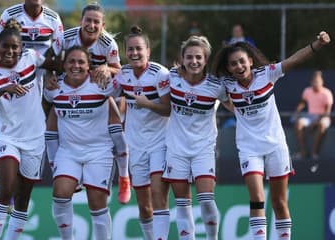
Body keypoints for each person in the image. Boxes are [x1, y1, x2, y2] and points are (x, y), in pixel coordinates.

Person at [212, 31, 330, 240]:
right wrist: (237, 109)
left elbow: (294, 60)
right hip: (249, 149)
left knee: (279, 201)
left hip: (276, 146)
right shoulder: (227, 86)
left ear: (250, 60)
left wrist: (317, 45)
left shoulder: (267, 74)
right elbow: (216, 95)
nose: (238, 67)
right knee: (257, 198)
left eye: (241, 61)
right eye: (233, 64)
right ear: (228, 68)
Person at [0, 19, 60, 239]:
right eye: (5, 46)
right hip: (8, 137)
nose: (10, 51)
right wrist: (5, 87)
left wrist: (60, 74)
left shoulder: (31, 58)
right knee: (6, 189)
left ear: (21, 47)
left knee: (23, 200)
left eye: (15, 47)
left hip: (35, 138)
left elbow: (55, 65)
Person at [45, 2, 131, 204]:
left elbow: (121, 71)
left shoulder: (108, 43)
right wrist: (50, 74)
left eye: (96, 22)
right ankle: (60, 169)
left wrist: (107, 69)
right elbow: (49, 59)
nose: (91, 25)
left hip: (96, 86)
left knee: (114, 115)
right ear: (80, 21)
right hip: (68, 85)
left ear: (102, 25)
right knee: (50, 118)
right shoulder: (65, 37)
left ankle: (124, 175)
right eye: (88, 20)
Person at [162, 35, 233, 240]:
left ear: (206, 59)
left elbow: (235, 107)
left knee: (207, 200)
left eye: (199, 57)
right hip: (176, 150)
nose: (194, 61)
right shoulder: (171, 78)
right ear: (182, 59)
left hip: (203, 149)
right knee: (183, 204)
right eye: (190, 57)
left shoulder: (216, 85)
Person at [46, 46, 120, 240]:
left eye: (81, 62)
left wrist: (108, 70)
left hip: (99, 150)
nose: (75, 66)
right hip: (68, 151)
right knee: (60, 194)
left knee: (97, 204)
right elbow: (51, 125)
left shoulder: (101, 84)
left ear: (89, 66)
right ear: (64, 65)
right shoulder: (53, 88)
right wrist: (53, 159)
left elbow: (124, 83)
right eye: (71, 61)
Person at [110, 26, 171, 239]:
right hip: (135, 145)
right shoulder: (123, 74)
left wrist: (148, 104)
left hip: (160, 143)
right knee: (144, 206)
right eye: (130, 49)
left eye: (139, 49)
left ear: (148, 51)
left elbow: (168, 108)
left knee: (158, 196)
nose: (135, 53)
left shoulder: (160, 74)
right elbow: (106, 92)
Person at [293, 70, 333, 171]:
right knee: (298, 124)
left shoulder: (327, 93)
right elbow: (303, 102)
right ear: (311, 83)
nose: (316, 85)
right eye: (314, 82)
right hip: (310, 117)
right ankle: (303, 152)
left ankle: (314, 153)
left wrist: (315, 122)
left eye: (318, 82)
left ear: (321, 83)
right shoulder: (307, 91)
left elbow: (327, 112)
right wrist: (297, 111)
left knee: (322, 125)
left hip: (323, 117)